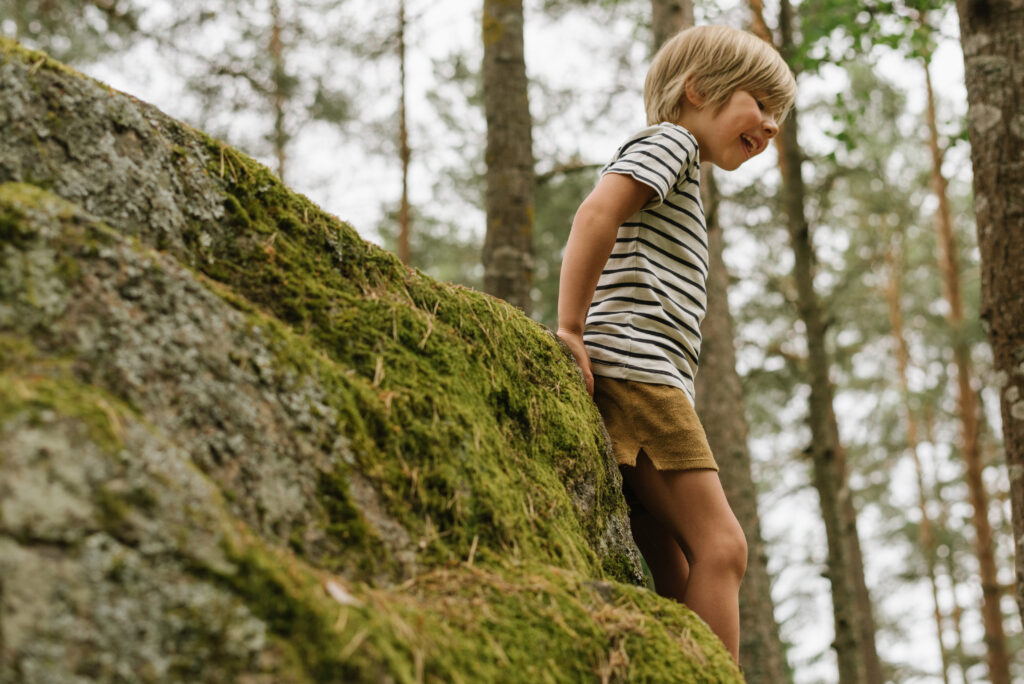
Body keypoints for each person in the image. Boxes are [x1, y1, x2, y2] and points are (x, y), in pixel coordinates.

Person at [556, 25, 796, 660]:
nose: (772, 126)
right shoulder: (674, 144)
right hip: (641, 374)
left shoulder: (684, 170)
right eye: (761, 104)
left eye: (779, 116)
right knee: (723, 547)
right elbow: (595, 212)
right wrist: (571, 328)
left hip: (640, 375)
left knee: (671, 573)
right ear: (697, 89)